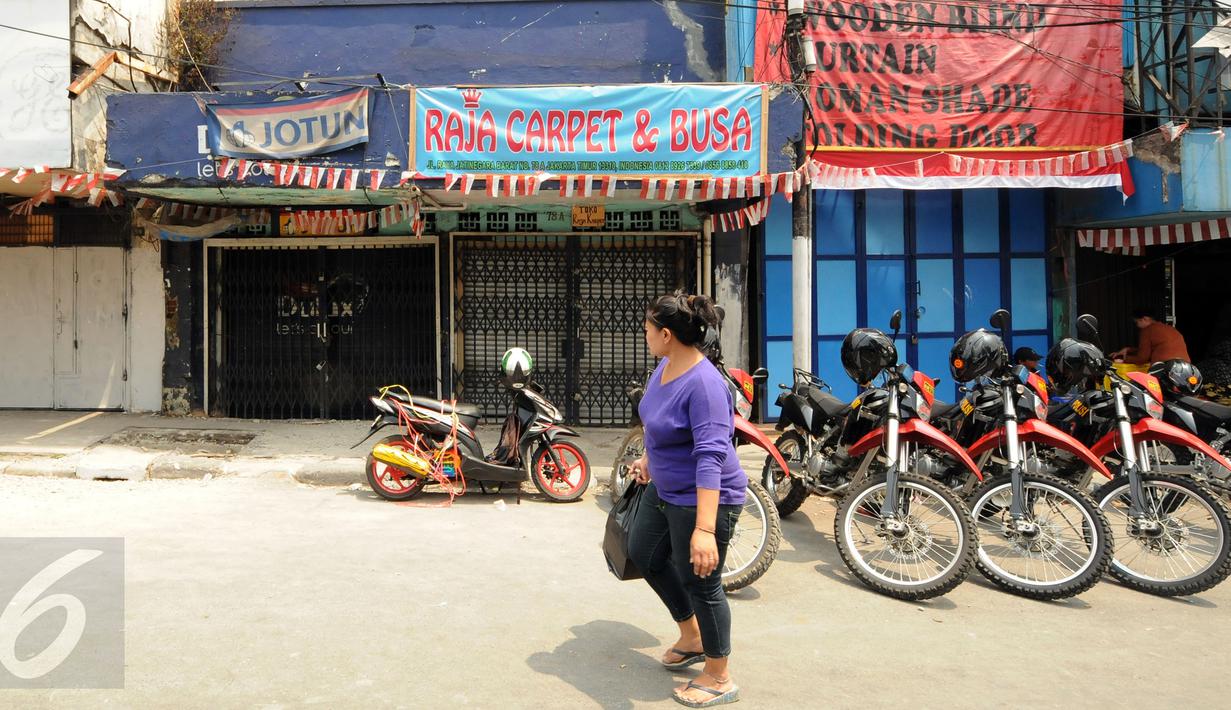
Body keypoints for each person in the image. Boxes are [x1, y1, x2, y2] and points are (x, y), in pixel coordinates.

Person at [627, 292, 747, 708]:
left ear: (665, 334)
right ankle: (692, 634)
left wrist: (704, 530)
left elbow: (711, 456)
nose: (643, 335)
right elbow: (659, 424)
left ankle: (718, 674)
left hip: (705, 497)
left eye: (646, 329)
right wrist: (646, 458)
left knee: (703, 582)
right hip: (664, 487)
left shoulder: (706, 385)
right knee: (642, 552)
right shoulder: (664, 366)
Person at [1111, 306, 1190, 365]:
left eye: (1136, 322)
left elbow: (1142, 358)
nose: (1137, 326)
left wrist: (1123, 359)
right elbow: (1154, 348)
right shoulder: (1170, 328)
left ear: (1145, 319)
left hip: (1167, 368)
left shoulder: (1147, 330)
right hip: (1186, 366)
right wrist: (1128, 349)